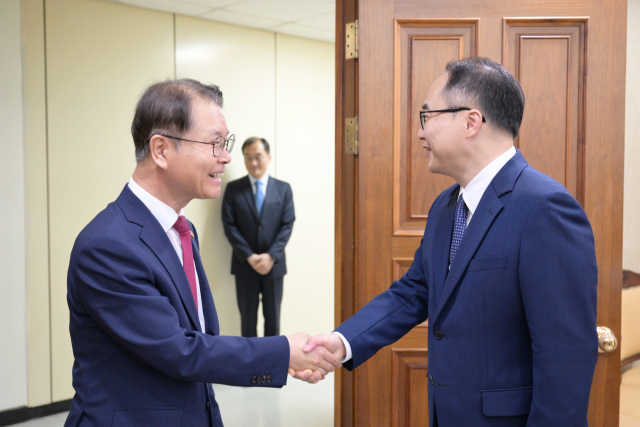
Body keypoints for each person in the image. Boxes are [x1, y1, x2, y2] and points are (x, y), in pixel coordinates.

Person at [299, 57, 598, 427]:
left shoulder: (544, 207)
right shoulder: (446, 205)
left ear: (471, 121)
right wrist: (342, 342)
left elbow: (565, 358)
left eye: (428, 117)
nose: (420, 133)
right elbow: (415, 291)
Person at [64, 79, 338, 427]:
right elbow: (179, 351)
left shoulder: (183, 231)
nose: (225, 157)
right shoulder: (107, 246)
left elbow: (201, 341)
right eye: (214, 143)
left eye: (226, 144)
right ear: (161, 150)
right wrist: (282, 352)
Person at [221, 137, 294, 338]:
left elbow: (287, 225)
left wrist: (271, 256)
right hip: (245, 265)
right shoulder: (233, 189)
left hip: (274, 266)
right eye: (248, 157)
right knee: (247, 321)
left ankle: (272, 367)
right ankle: (249, 368)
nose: (254, 163)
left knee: (273, 320)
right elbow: (229, 225)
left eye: (258, 157)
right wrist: (250, 256)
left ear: (268, 157)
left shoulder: (283, 189)